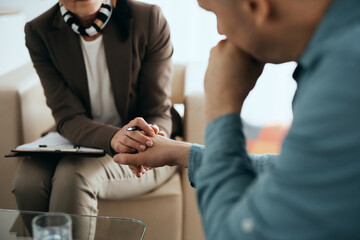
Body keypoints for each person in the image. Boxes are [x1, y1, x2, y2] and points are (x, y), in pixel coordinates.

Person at [114, 0, 360, 239]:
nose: (220, 31)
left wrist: (221, 105)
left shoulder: (344, 78)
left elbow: (238, 233)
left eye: (215, 14)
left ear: (256, 6)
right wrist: (181, 153)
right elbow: (299, 174)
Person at [12, 0, 177, 223]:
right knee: (27, 181)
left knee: (73, 177)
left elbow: (157, 110)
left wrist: (144, 141)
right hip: (78, 136)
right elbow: (67, 115)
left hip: (140, 144)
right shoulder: (38, 31)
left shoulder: (149, 19)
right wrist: (112, 137)